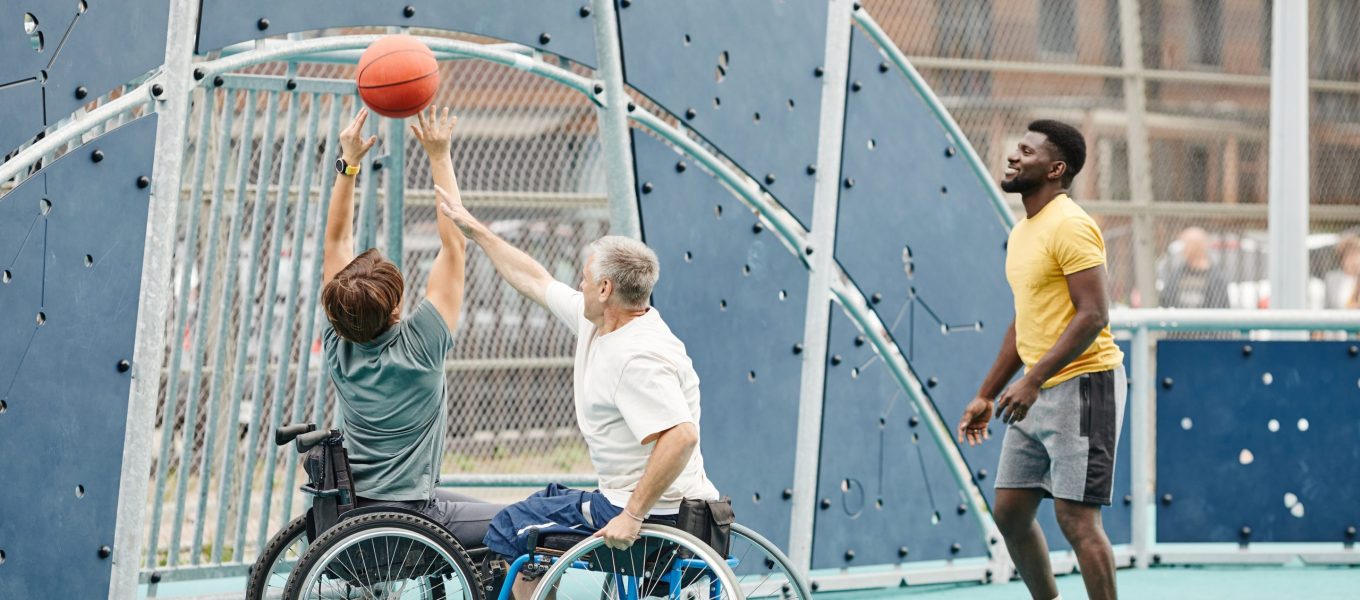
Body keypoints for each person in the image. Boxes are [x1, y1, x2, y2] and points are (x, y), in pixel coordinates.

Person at [435, 186, 719, 599]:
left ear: (604, 289)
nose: (577, 284)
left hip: (652, 515)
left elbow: (681, 435)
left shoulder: (636, 357)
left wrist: (632, 515)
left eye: (583, 278)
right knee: (546, 502)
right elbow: (535, 279)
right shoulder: (603, 322)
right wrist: (476, 230)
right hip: (653, 503)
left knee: (511, 526)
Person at [956, 120, 1126, 600]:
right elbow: (1023, 322)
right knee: (1010, 511)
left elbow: (1094, 314)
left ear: (1055, 169)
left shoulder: (1071, 224)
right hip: (1035, 390)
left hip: (1085, 385)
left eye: (1027, 152)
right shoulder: (1023, 232)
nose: (1014, 156)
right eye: (1017, 148)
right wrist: (987, 394)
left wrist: (1033, 381)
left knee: (1076, 518)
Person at [320, 106, 503, 547]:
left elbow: (335, 240)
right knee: (523, 524)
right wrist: (439, 154)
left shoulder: (336, 342)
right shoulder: (421, 347)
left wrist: (348, 164)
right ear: (398, 307)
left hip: (353, 514)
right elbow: (454, 242)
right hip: (416, 516)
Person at [1158, 227, 1230, 308]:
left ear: (1196, 246)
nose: (1183, 249)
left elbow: (1220, 306)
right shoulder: (1178, 273)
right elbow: (1165, 299)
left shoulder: (1215, 277)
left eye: (1186, 244)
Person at [1324, 234, 1360, 309]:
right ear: (1342, 260)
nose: (1354, 260)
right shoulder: (1332, 279)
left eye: (1357, 254)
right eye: (1350, 255)